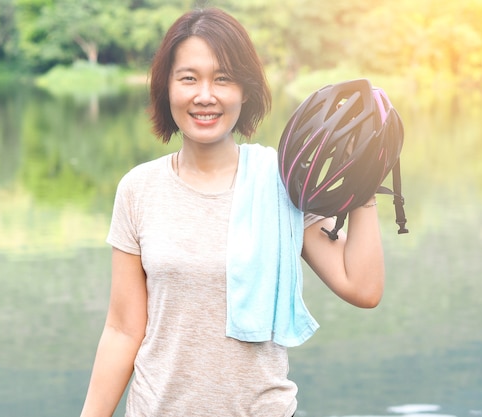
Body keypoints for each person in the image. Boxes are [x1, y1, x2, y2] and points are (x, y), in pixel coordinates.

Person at [79, 7, 384, 417]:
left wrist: (363, 184)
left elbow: (362, 288)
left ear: (245, 90)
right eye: (189, 78)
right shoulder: (139, 189)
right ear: (166, 88)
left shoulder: (282, 183)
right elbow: (122, 329)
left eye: (222, 79)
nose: (205, 95)